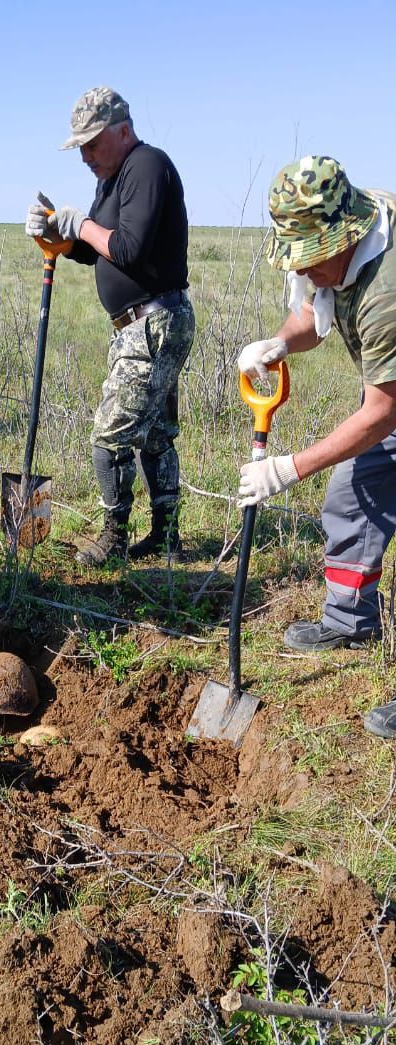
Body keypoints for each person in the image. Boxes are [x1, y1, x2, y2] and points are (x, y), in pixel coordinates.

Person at [237, 155, 396, 739]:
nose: (303, 267)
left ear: (344, 239)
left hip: (392, 395)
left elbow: (382, 411)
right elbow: (311, 309)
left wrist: (289, 468)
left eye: (310, 257)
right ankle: (351, 622)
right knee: (351, 495)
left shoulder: (387, 291)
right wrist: (277, 343)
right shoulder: (336, 245)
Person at [25, 86, 194, 566]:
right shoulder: (114, 177)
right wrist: (58, 233)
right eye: (80, 147)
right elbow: (95, 247)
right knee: (156, 433)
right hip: (141, 324)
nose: (85, 156)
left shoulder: (146, 165)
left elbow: (128, 248)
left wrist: (80, 225)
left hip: (153, 321)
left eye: (93, 144)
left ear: (123, 131)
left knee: (110, 436)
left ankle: (114, 539)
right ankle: (166, 539)